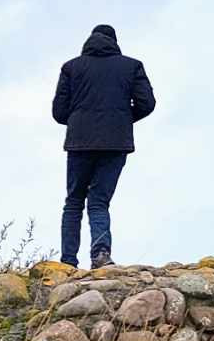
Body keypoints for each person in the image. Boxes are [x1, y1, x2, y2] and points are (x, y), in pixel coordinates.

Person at [51, 24, 156, 268]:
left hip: (79, 142)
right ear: (115, 41)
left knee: (74, 201)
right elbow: (147, 103)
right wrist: (122, 117)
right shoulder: (132, 66)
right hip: (116, 142)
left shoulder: (71, 68)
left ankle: (67, 262)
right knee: (99, 201)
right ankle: (100, 255)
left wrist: (80, 119)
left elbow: (58, 112)